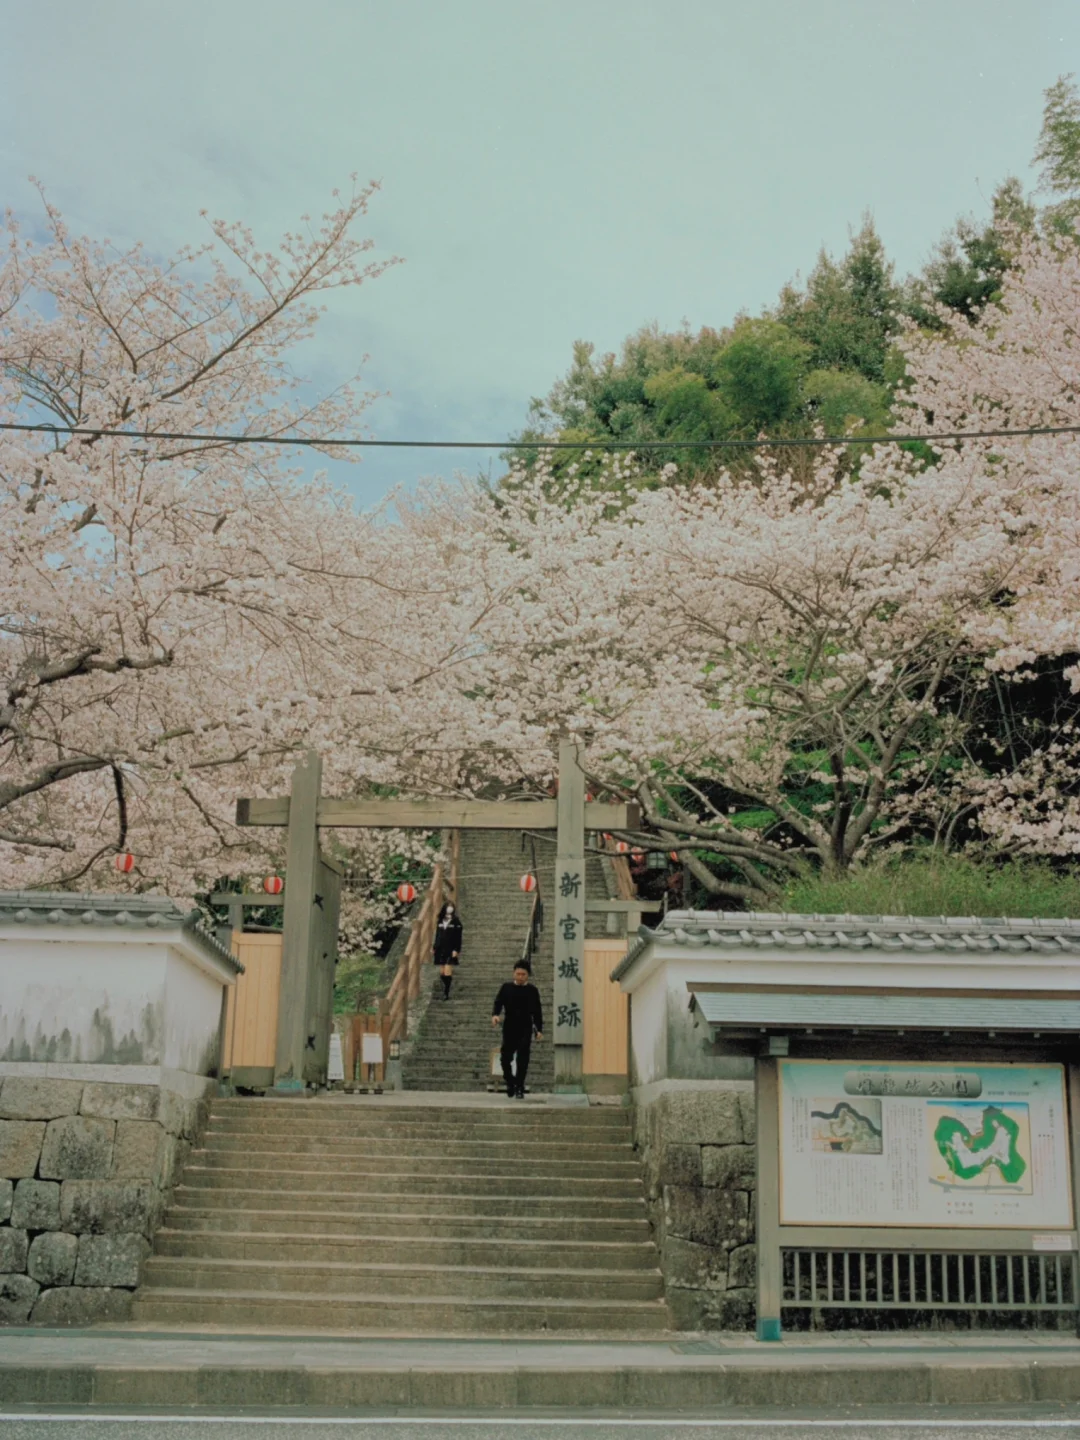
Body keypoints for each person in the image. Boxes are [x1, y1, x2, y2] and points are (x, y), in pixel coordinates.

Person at [491, 962, 543, 1098]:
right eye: (518, 974)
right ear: (514, 973)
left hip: (525, 1027)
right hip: (509, 1026)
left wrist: (539, 1029)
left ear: (528, 975)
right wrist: (495, 1015)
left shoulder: (532, 990)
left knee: (523, 1058)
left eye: (523, 974)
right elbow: (498, 1002)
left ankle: (519, 1086)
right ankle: (510, 1081)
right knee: (505, 1058)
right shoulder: (506, 987)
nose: (520, 977)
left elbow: (537, 1012)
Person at [433, 901, 462, 1000]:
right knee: (442, 972)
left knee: (447, 971)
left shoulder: (456, 921)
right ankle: (445, 988)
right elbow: (438, 935)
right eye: (448, 906)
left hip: (450, 949)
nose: (450, 908)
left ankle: (446, 992)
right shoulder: (440, 921)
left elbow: (458, 937)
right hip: (441, 948)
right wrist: (434, 947)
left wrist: (456, 950)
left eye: (451, 907)